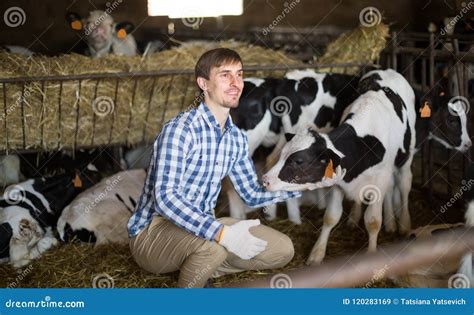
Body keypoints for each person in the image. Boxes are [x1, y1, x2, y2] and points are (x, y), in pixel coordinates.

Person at [128, 48, 301, 288]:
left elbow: (251, 193)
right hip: (154, 233)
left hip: (201, 227)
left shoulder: (236, 138)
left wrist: (301, 185)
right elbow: (166, 198)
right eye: (225, 75)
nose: (236, 83)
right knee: (214, 243)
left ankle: (199, 265)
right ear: (204, 83)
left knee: (283, 250)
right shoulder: (180, 130)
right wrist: (223, 234)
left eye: (239, 74)